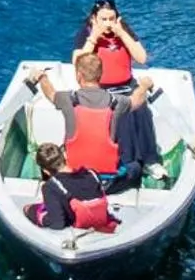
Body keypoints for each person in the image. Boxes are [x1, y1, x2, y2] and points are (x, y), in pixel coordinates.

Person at [30, 50, 146, 192]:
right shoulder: (117, 102)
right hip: (107, 184)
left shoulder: (68, 99)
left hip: (75, 179)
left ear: (79, 76)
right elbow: (136, 100)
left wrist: (42, 77)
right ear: (100, 75)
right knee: (136, 166)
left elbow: (50, 93)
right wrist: (144, 86)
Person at [25, 141, 118, 233]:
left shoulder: (50, 187)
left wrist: (35, 214)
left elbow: (58, 223)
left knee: (31, 209)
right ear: (64, 156)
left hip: (80, 227)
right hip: (102, 221)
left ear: (45, 171)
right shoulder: (92, 174)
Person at [72, 0, 149, 103]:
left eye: (111, 19)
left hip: (127, 86)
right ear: (94, 18)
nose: (108, 24)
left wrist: (122, 34)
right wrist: (94, 38)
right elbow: (77, 62)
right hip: (99, 89)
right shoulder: (86, 32)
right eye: (104, 19)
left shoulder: (123, 29)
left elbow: (142, 58)